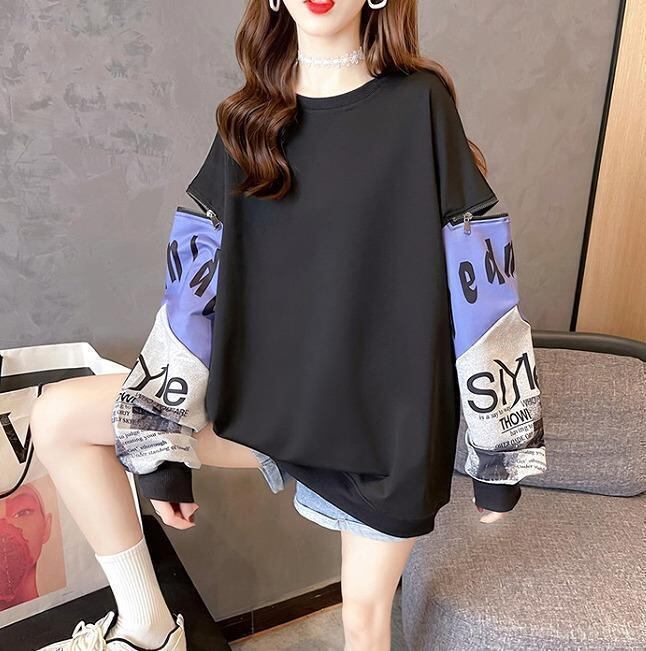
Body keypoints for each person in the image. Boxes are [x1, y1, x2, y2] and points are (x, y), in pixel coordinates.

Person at [30, 1, 540, 649]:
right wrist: (160, 445)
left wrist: (501, 453)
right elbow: (194, 291)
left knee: (363, 619)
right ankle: (149, 628)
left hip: (386, 431)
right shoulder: (246, 120)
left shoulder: (420, 105)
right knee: (57, 416)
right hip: (270, 408)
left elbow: (482, 283)